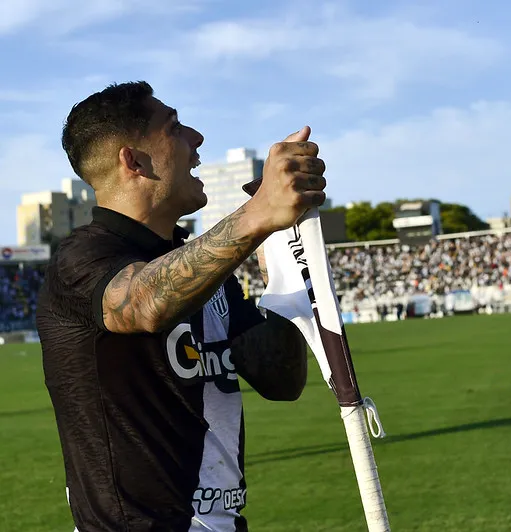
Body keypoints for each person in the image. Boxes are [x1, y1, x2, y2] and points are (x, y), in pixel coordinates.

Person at [35, 81, 327, 531]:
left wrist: (282, 264)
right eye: (174, 127)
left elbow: (282, 380)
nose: (197, 138)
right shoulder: (81, 259)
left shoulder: (200, 268)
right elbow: (143, 303)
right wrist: (257, 214)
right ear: (133, 161)